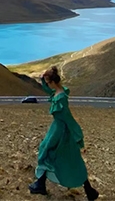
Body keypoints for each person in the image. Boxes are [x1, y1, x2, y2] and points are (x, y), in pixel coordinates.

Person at [29, 66, 99, 200]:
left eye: (49, 82)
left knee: (47, 153)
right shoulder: (58, 92)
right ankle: (89, 191)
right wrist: (43, 79)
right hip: (58, 129)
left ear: (54, 82)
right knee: (70, 159)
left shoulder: (60, 98)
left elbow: (69, 119)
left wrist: (78, 137)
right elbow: (47, 89)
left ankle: (41, 185)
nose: (47, 85)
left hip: (60, 132)